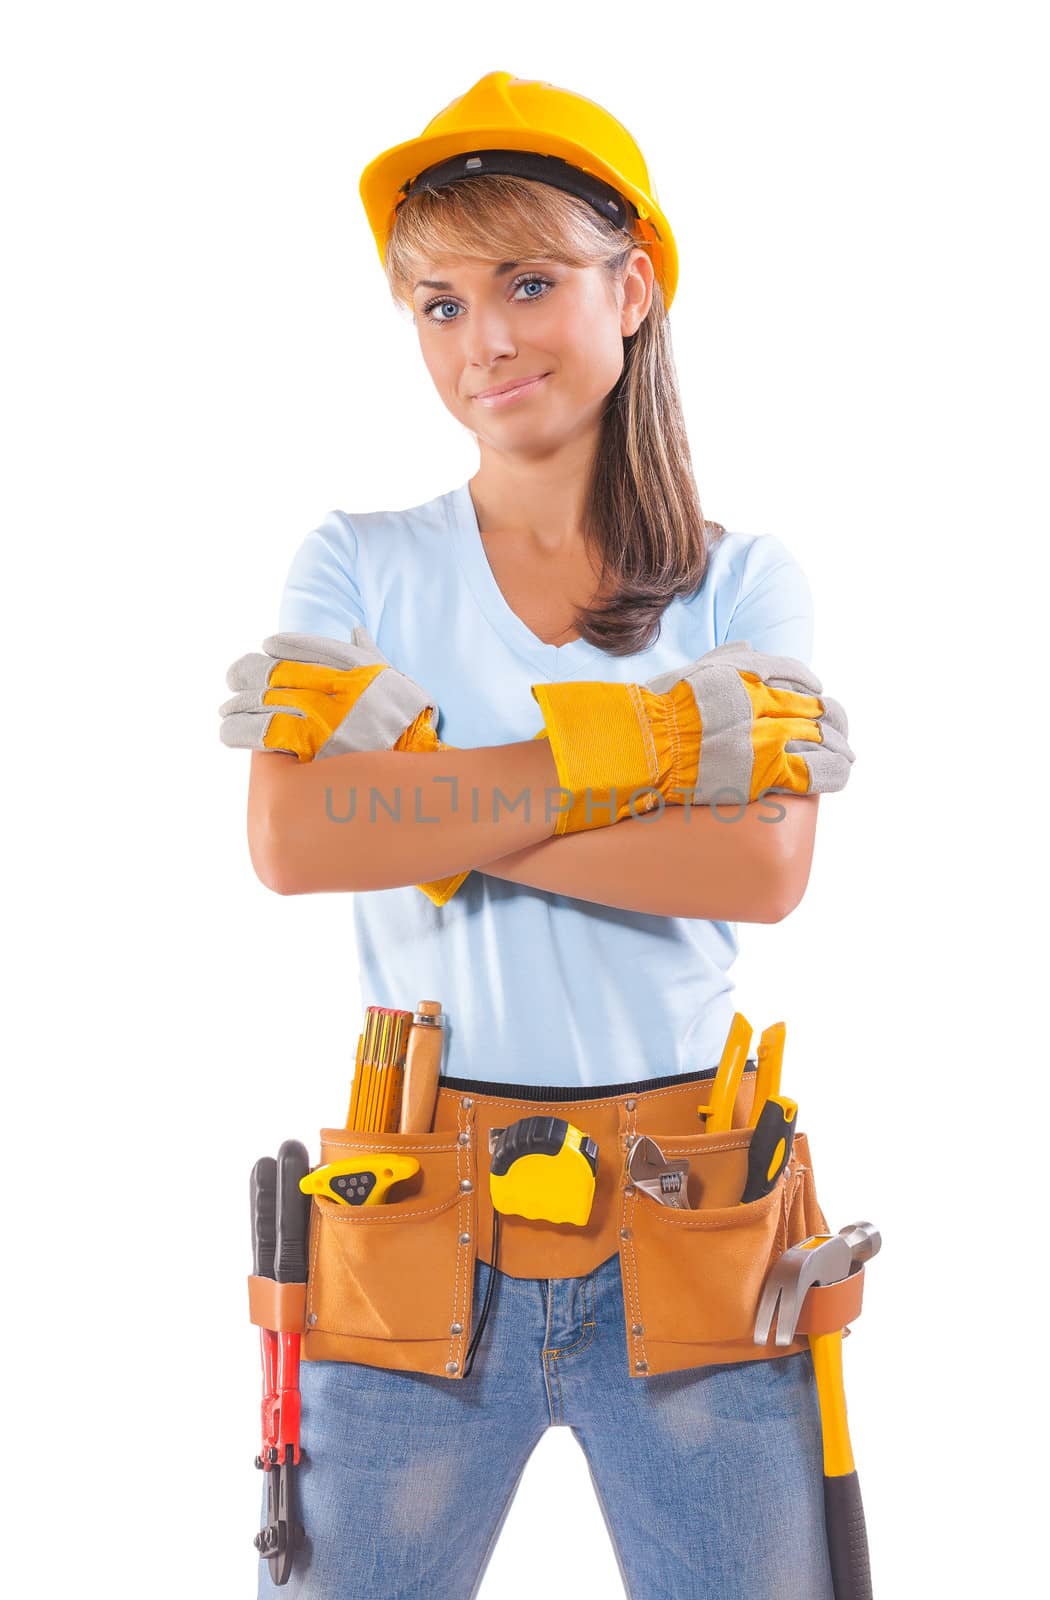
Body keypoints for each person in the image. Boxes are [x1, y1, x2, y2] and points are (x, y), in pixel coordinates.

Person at [221, 71, 854, 1600]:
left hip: (694, 1214)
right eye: (436, 303)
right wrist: (642, 754)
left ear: (632, 288)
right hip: (410, 1207)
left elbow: (760, 870)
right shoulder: (359, 561)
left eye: (528, 282)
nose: (484, 339)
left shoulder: (740, 584)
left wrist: (432, 800)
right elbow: (297, 838)